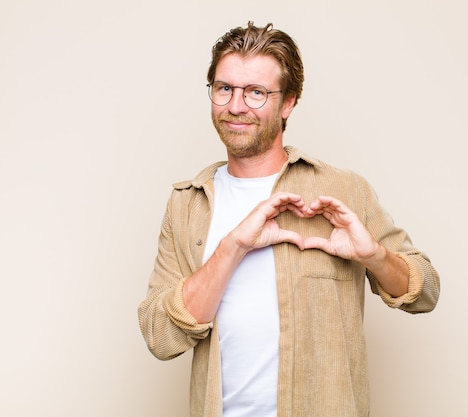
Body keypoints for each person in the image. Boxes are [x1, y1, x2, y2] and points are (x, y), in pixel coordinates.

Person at [138, 21, 440, 417]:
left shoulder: (345, 190)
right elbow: (160, 336)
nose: (236, 106)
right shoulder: (187, 204)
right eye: (224, 88)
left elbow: (426, 292)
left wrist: (375, 256)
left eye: (256, 93)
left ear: (288, 104)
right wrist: (233, 246)